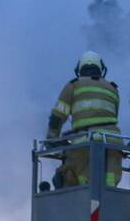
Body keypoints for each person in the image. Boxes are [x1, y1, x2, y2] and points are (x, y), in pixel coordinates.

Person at [47, 51, 123, 187]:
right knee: (110, 180)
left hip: (85, 141)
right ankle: (108, 194)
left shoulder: (73, 85)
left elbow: (57, 117)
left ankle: (86, 197)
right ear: (101, 68)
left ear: (79, 68)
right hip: (113, 141)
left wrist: (51, 138)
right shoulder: (113, 88)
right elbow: (112, 117)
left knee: (79, 178)